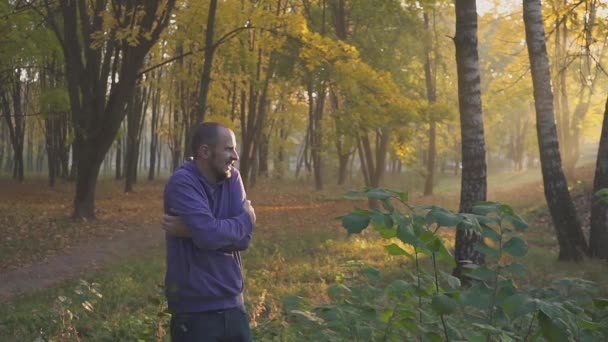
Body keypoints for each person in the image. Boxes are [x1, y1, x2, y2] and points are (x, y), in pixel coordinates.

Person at [162, 122, 256, 342]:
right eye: (228, 149)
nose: (235, 156)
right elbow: (211, 235)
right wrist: (246, 219)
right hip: (195, 313)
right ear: (205, 151)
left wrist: (193, 232)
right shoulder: (183, 182)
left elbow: (244, 240)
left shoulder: (233, 178)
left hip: (234, 306)